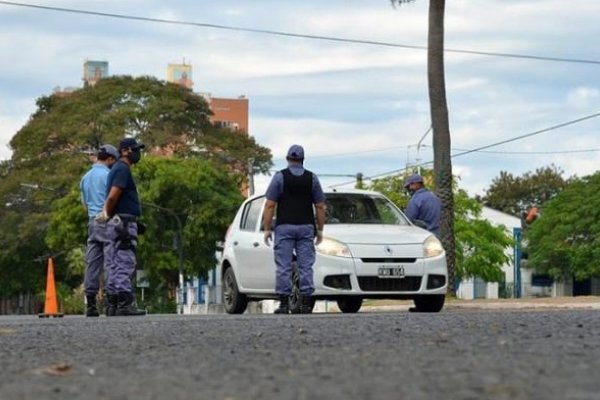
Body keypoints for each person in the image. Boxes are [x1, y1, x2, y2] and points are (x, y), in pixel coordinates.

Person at [262, 145, 326, 314]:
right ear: (303, 159)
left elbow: (269, 205)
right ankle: (305, 303)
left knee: (284, 266)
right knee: (306, 266)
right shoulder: (312, 178)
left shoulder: (279, 177)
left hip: (284, 227)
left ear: (287, 158)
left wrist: (267, 228)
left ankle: (284, 304)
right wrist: (320, 230)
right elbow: (320, 206)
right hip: (306, 227)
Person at [96, 138, 146, 316]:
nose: (138, 153)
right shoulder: (123, 168)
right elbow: (113, 196)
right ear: (125, 151)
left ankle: (113, 303)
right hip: (123, 222)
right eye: (135, 149)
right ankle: (125, 303)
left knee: (113, 261)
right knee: (125, 260)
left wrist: (107, 215)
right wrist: (107, 212)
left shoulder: (115, 168)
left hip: (115, 223)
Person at [80, 144, 119, 317]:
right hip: (107, 219)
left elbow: (84, 204)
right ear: (109, 158)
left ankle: (91, 304)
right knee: (111, 260)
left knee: (92, 262)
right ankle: (112, 303)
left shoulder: (85, 177)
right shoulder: (109, 175)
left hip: (92, 221)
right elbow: (113, 198)